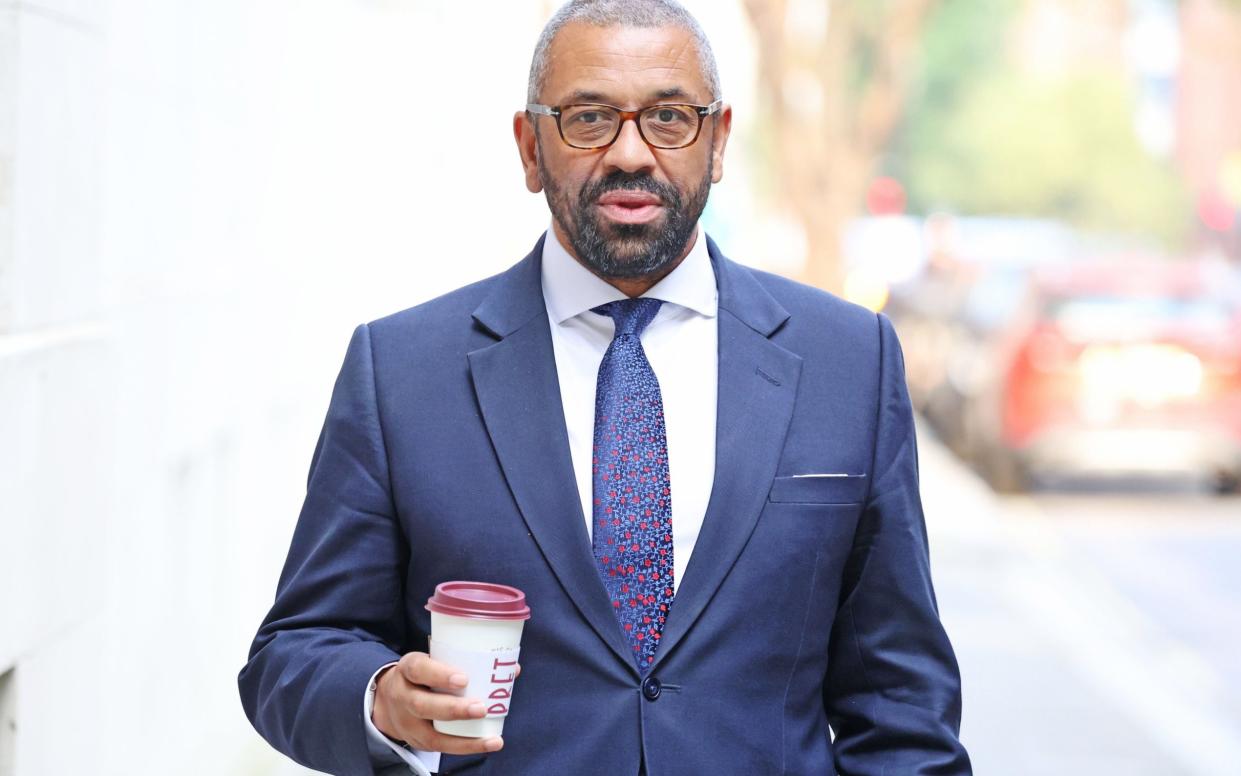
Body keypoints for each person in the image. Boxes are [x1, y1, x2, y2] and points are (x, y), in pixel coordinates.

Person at [238, 1, 971, 774]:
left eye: (669, 118)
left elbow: (899, 702)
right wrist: (379, 695)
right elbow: (293, 652)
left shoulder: (846, 361)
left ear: (718, 141)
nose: (630, 153)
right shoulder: (402, 371)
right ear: (529, 148)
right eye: (588, 118)